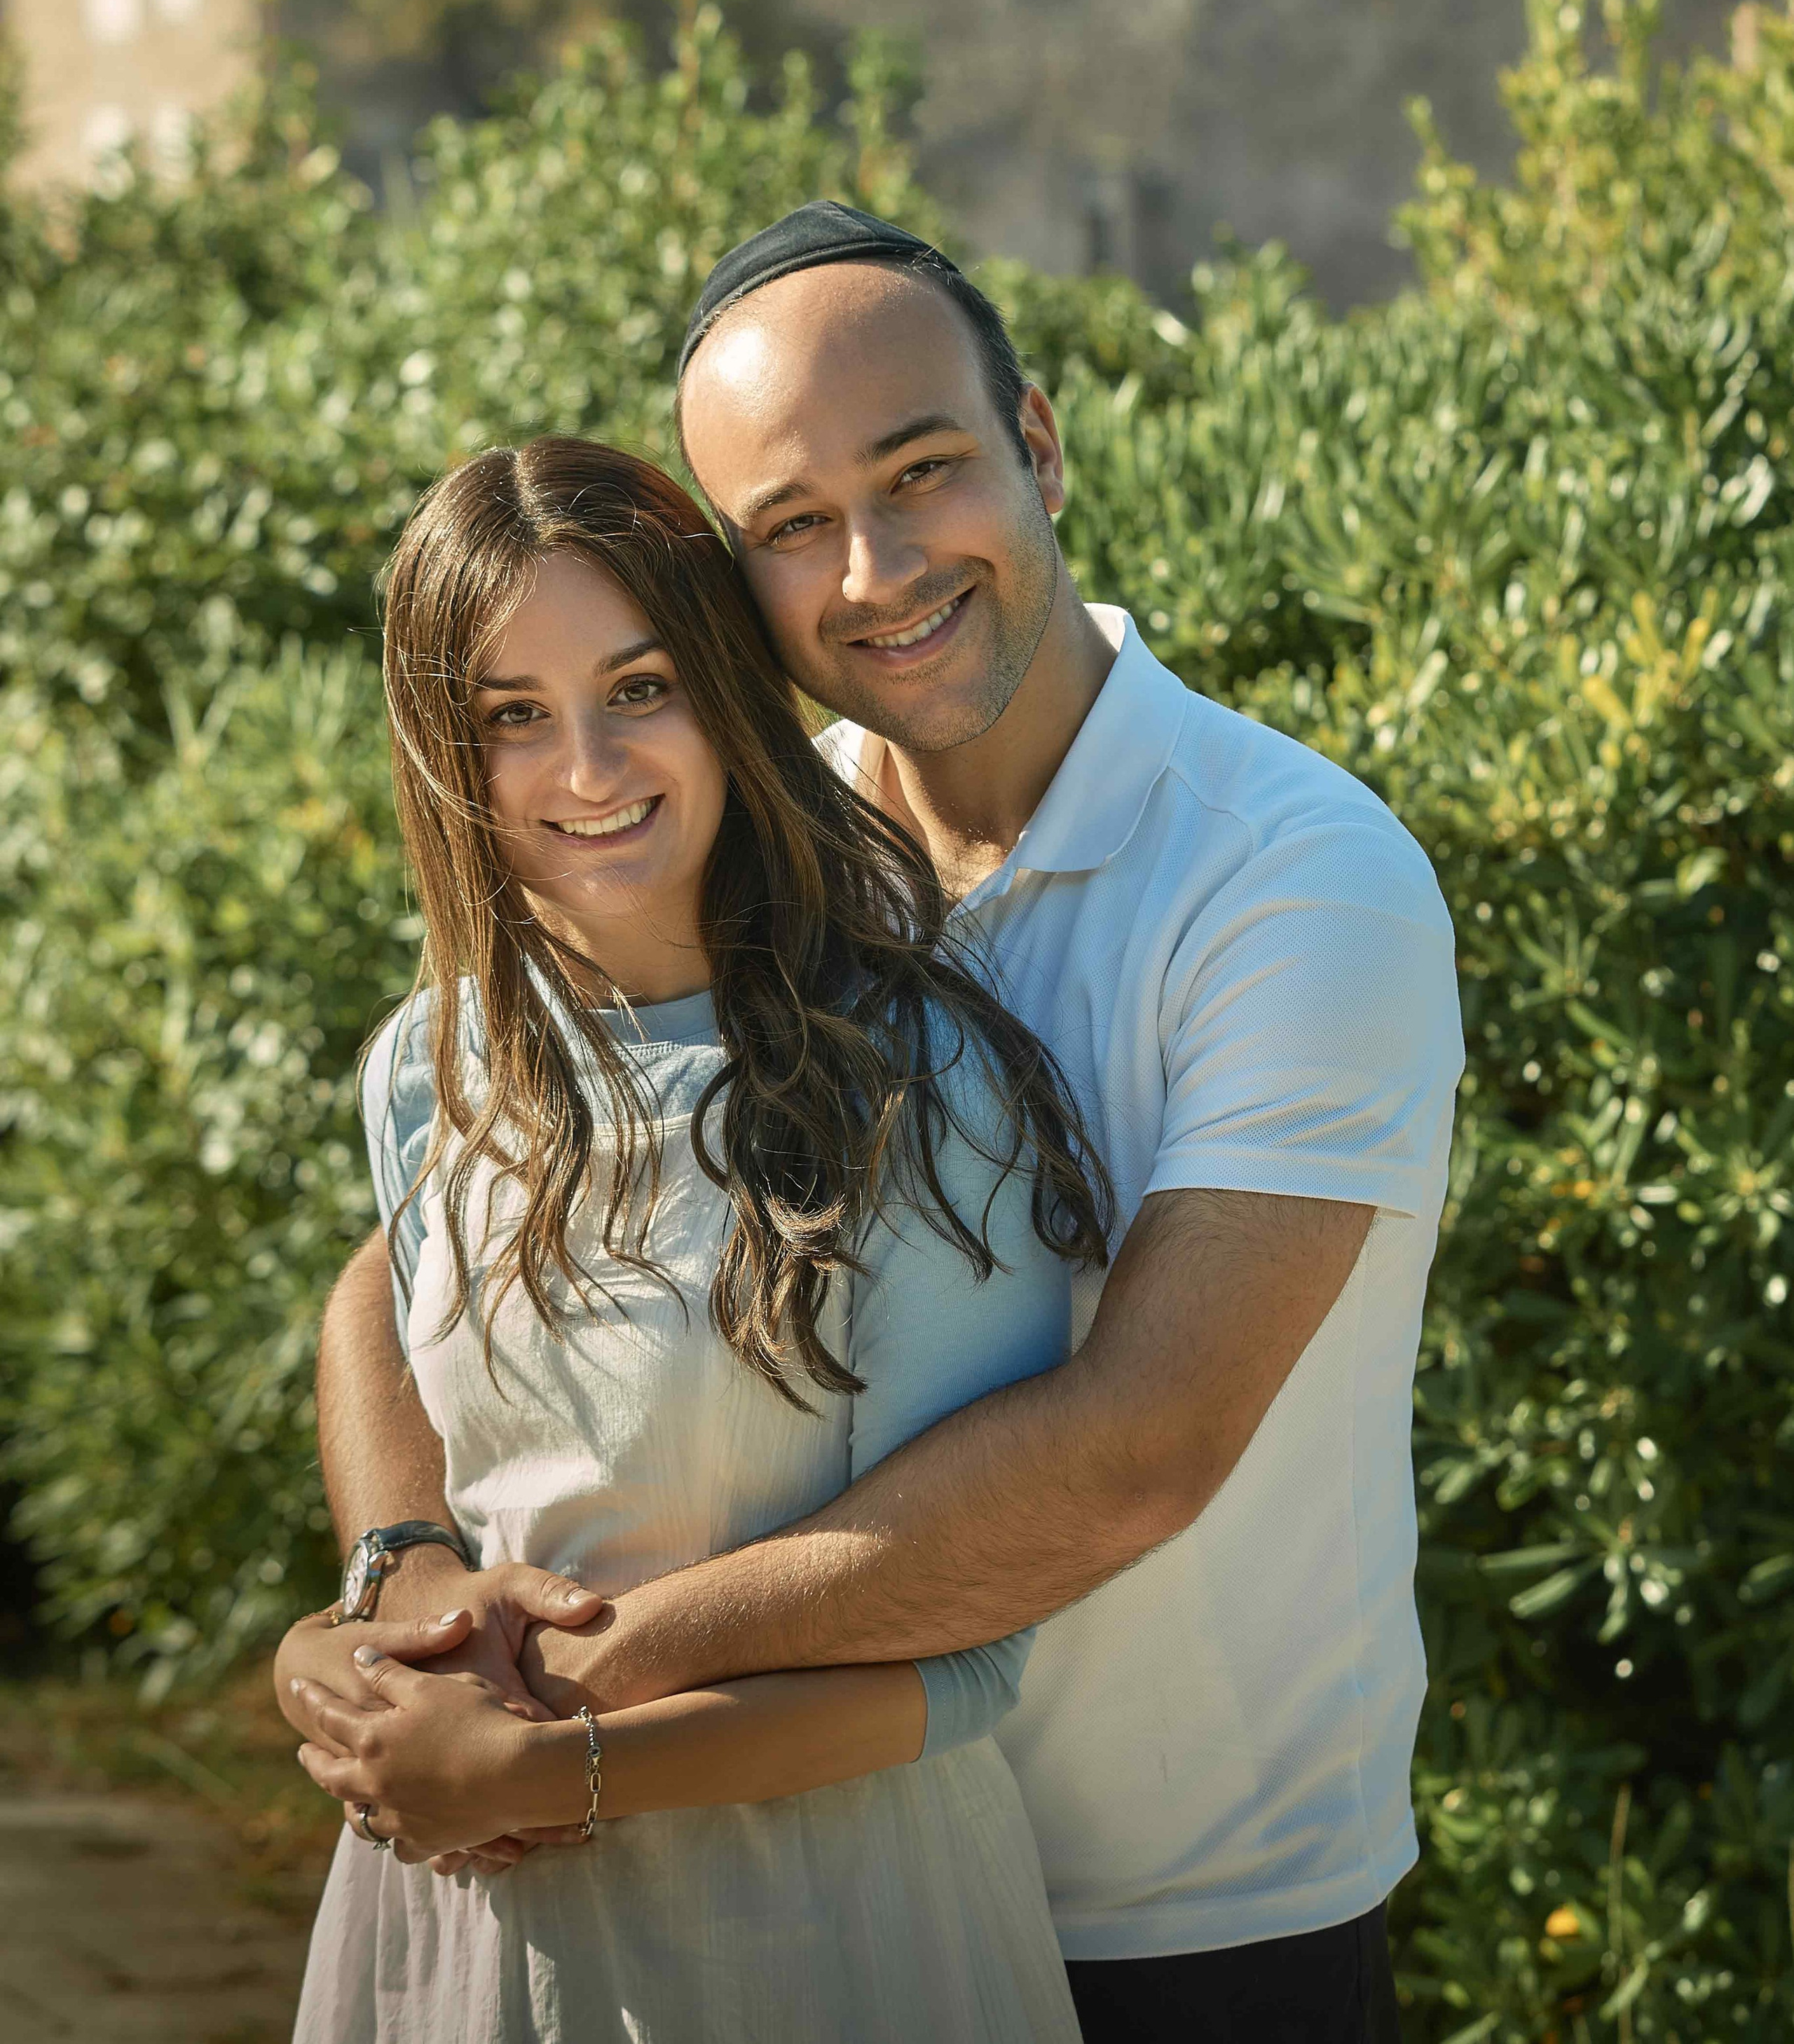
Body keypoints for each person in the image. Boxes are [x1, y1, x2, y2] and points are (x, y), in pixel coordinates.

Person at [282, 205, 1465, 2043]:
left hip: (1187, 1907)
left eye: (923, 471)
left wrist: (567, 1678)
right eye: (790, 527)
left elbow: (1137, 1446)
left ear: (1042, 445)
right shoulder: (755, 833)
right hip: (787, 1896)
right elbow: (414, 1242)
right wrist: (402, 1578)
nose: (877, 565)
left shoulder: (1294, 880)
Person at [282, 434, 1113, 2043]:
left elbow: (966, 1660)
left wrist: (563, 1768)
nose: (581, 765)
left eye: (638, 687)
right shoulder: (426, 1064)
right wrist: (339, 1647)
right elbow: (403, 1351)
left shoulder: (925, 1085)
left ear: (729, 695)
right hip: (451, 1938)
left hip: (825, 1937)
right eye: (512, 715)